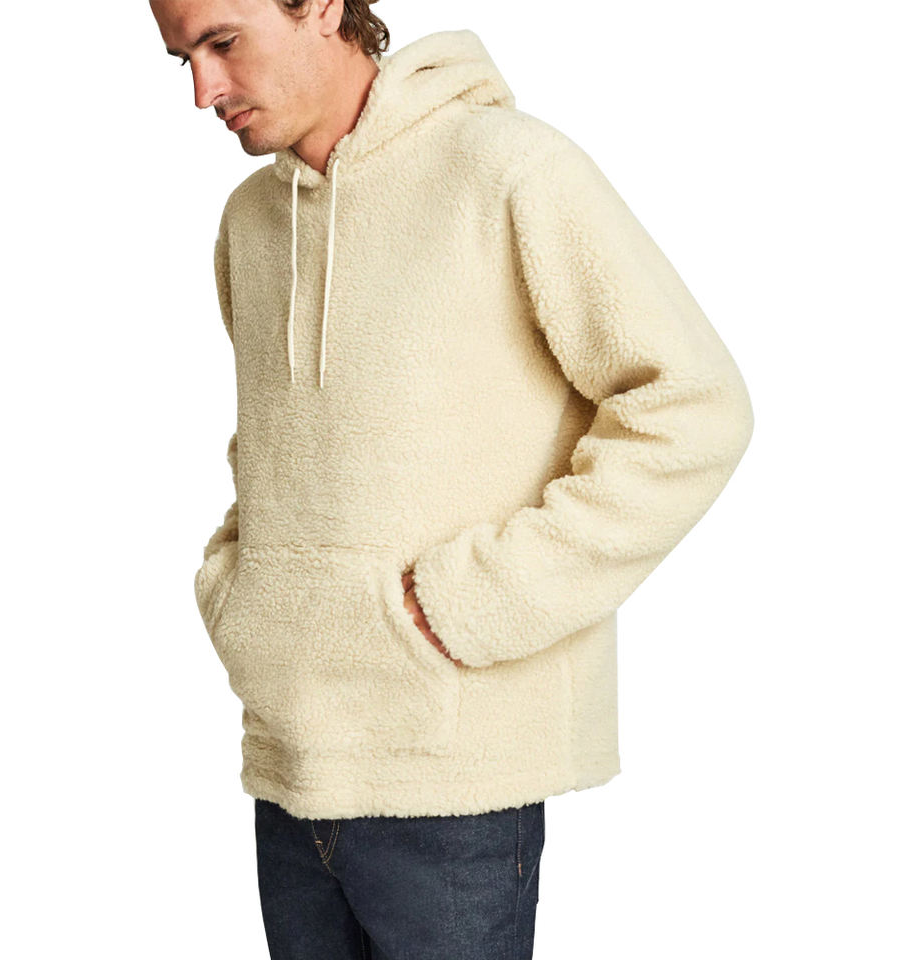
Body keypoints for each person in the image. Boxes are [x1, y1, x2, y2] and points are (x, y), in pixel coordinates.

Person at [150, 2, 755, 957]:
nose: (201, 91)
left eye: (222, 43)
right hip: (291, 764)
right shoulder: (251, 222)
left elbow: (692, 407)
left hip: (454, 785)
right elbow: (272, 447)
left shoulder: (509, 170)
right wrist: (243, 591)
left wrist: (475, 604)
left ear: (322, 8)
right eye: (181, 57)